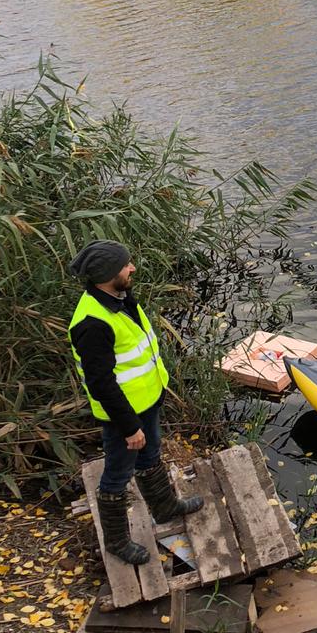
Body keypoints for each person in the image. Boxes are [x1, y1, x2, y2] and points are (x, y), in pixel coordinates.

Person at [67, 240, 203, 565]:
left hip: (147, 401)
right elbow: (101, 384)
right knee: (116, 475)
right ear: (106, 275)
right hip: (123, 417)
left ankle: (166, 507)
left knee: (151, 455)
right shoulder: (92, 323)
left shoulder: (120, 298)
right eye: (125, 265)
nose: (132, 268)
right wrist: (129, 427)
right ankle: (116, 541)